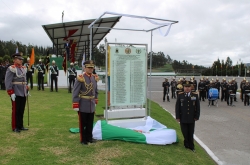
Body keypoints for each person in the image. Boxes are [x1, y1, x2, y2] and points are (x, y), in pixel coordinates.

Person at [72, 60, 98, 145]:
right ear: (84, 68)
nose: (91, 69)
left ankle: (89, 138)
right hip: (83, 103)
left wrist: (96, 101)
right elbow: (75, 92)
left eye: (92, 67)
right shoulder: (81, 77)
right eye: (89, 67)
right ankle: (83, 139)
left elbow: (95, 91)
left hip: (91, 104)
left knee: (90, 122)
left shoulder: (94, 77)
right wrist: (76, 104)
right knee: (83, 122)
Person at [5, 53, 29, 133]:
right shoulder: (11, 68)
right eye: (19, 59)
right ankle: (15, 127)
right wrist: (10, 92)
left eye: (21, 59)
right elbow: (8, 81)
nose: (21, 60)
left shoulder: (23, 68)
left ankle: (20, 125)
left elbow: (24, 80)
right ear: (14, 60)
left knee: (21, 109)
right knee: (16, 110)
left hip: (23, 91)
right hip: (15, 91)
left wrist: (26, 88)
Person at [175, 81, 200, 152]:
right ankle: (186, 144)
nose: (187, 88)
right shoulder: (180, 95)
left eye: (188, 87)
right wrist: (178, 117)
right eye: (186, 87)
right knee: (184, 132)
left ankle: (191, 146)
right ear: (183, 87)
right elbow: (177, 107)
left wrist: (197, 116)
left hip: (191, 117)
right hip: (183, 117)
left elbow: (197, 107)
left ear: (191, 88)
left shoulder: (195, 95)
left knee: (191, 132)